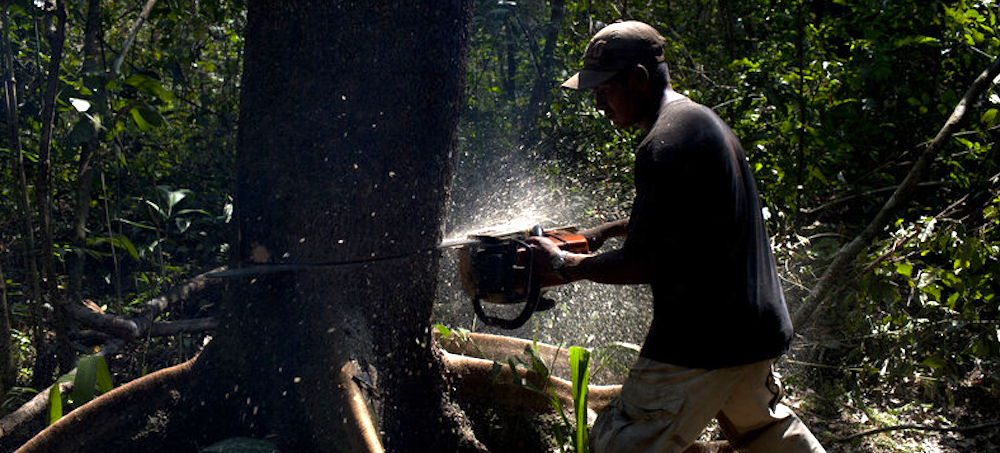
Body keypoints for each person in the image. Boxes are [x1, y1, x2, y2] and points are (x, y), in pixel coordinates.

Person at [528, 21, 827, 453]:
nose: (598, 102)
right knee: (767, 436)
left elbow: (644, 260)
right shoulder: (698, 123)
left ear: (637, 78)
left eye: (605, 89)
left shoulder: (663, 144)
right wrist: (601, 233)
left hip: (701, 339)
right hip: (754, 328)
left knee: (618, 444)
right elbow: (686, 217)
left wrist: (565, 264)